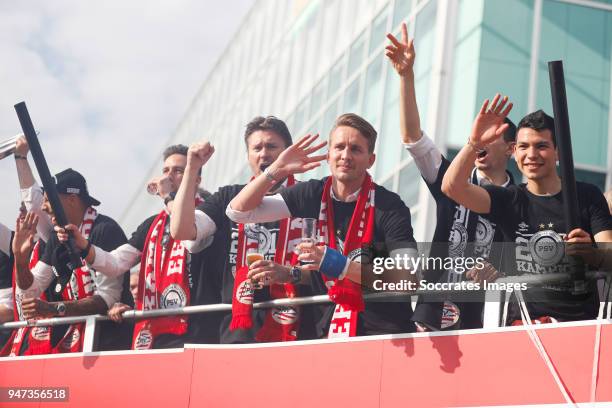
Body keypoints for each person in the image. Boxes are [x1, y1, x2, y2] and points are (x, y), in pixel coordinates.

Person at [226, 113, 419, 338]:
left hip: (383, 334)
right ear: (328, 156)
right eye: (339, 147)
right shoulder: (312, 193)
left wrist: (340, 265)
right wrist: (277, 169)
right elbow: (239, 212)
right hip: (326, 332)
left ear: (371, 160)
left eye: (355, 149)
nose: (345, 156)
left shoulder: (390, 206)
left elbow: (407, 279)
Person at [386, 23, 515, 330]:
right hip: (431, 323)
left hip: (488, 326)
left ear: (511, 149)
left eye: (491, 133)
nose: (481, 139)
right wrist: (406, 76)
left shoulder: (519, 200)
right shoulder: (452, 182)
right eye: (477, 132)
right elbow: (413, 138)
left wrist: (500, 266)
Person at [442, 98, 612, 323]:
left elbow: (609, 254)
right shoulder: (509, 198)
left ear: (558, 152)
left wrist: (591, 253)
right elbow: (452, 187)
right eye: (523, 147)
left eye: (541, 146)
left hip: (579, 328)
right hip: (521, 327)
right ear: (513, 151)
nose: (531, 154)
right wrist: (474, 143)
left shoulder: (587, 195)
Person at [56, 145, 218, 349]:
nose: (168, 178)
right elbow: (116, 263)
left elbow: (188, 235)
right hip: (158, 330)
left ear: (196, 179)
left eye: (178, 171)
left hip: (200, 328)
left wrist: (168, 197)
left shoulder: (210, 211)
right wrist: (83, 245)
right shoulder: (152, 224)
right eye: (166, 171)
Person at [171, 116, 315, 343]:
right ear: (248, 156)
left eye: (272, 146)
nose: (264, 153)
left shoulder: (308, 195)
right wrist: (192, 169)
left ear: (287, 152)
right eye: (256, 148)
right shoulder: (229, 197)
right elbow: (181, 231)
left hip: (301, 326)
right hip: (238, 329)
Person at [12, 168, 133, 352]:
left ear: (71, 200)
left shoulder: (105, 230)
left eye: (48, 199)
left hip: (109, 343)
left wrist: (53, 309)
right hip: (73, 343)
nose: (43, 207)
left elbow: (107, 299)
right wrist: (20, 259)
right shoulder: (56, 236)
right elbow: (30, 290)